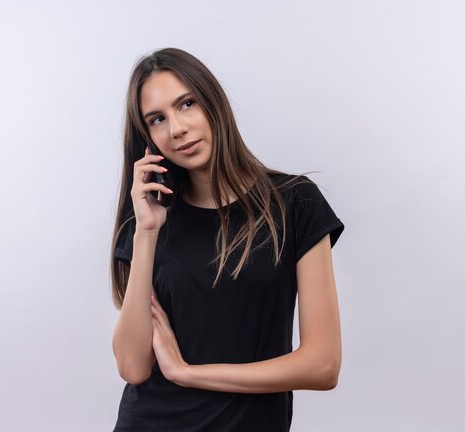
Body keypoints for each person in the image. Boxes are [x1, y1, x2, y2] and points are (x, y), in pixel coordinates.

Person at [110, 47, 345, 432]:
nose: (177, 129)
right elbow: (133, 366)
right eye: (157, 119)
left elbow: (323, 365)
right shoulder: (150, 218)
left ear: (213, 101)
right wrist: (147, 232)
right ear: (147, 138)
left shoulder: (294, 202)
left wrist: (189, 373)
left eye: (186, 104)